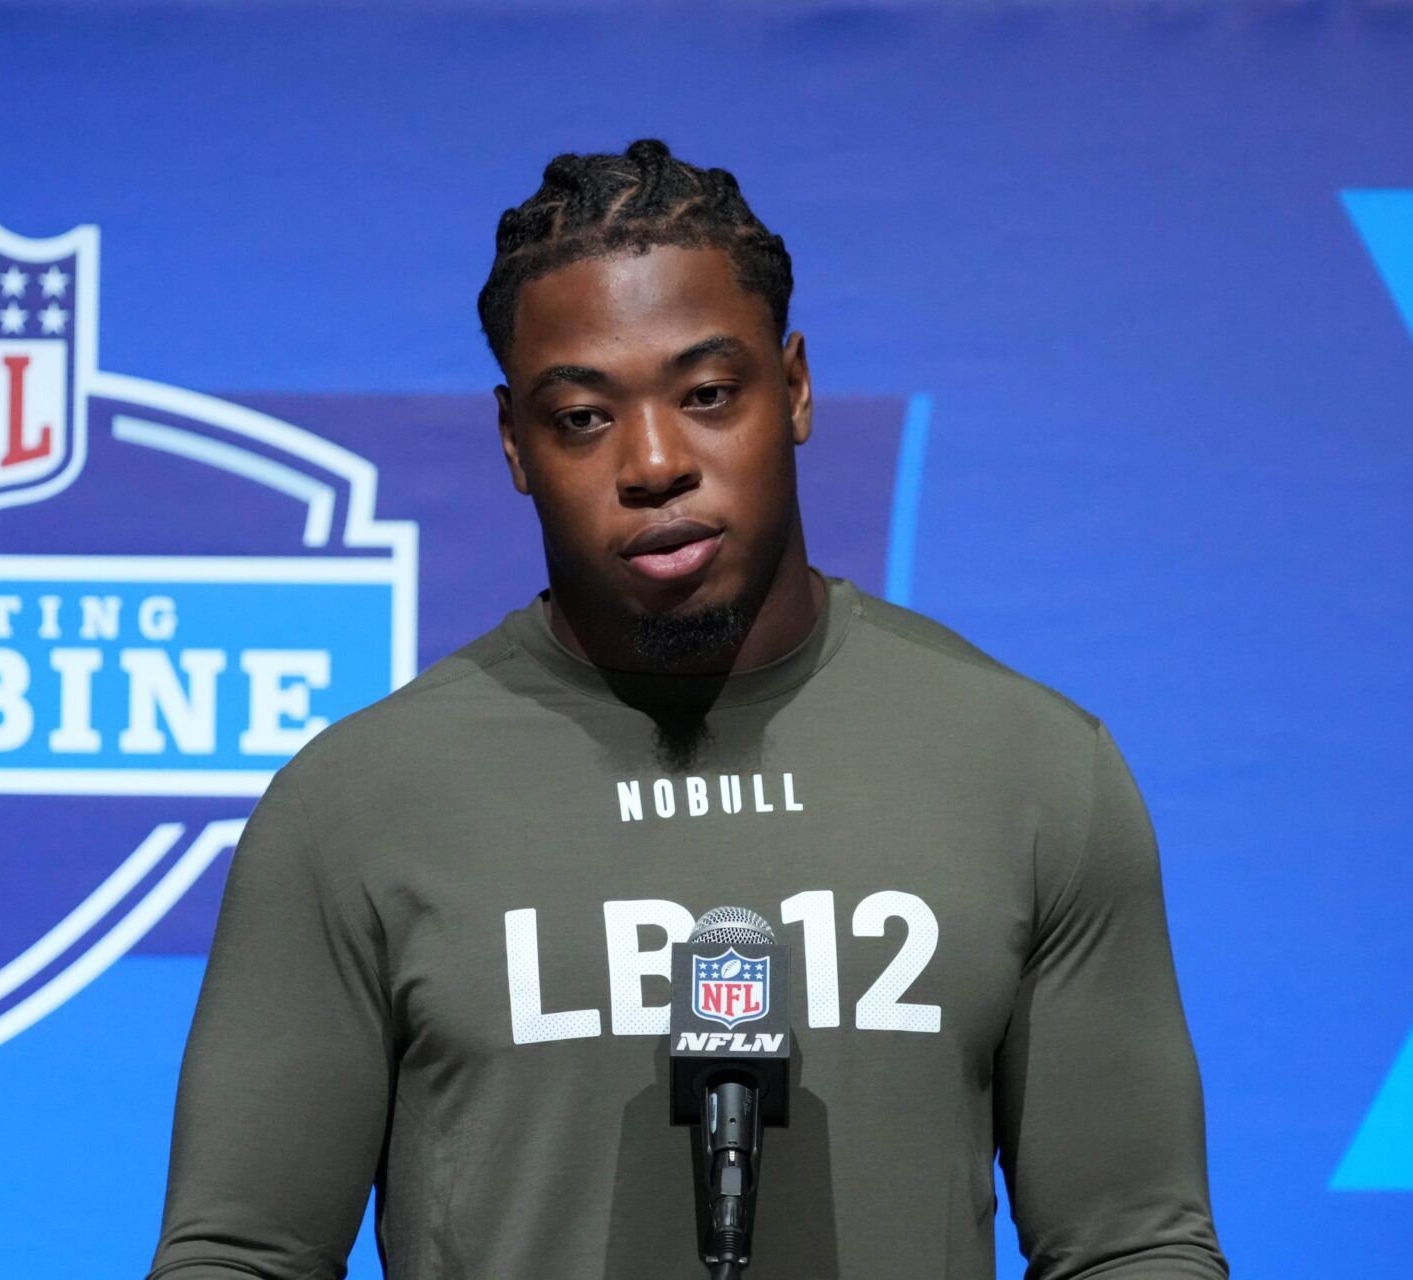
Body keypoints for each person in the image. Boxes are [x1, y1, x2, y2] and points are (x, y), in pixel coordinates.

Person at [147, 138, 1227, 1279]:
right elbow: (242, 1253)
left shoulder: (1029, 766)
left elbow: (1132, 1243)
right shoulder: (357, 804)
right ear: (514, 443)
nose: (656, 460)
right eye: (581, 416)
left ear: (797, 388)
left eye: (708, 394)